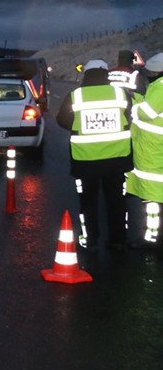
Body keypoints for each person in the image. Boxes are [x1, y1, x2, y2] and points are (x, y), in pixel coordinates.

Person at [56, 59, 132, 251]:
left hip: (86, 160)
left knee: (88, 202)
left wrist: (79, 129)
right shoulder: (120, 93)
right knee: (117, 201)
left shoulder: (76, 95)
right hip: (117, 159)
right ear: (106, 74)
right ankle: (118, 240)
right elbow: (129, 117)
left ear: (86, 74)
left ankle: (90, 239)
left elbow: (62, 120)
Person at [124, 53, 163, 246]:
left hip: (154, 150)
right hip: (154, 147)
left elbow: (146, 113)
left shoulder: (161, 87)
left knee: (152, 195)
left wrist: (137, 97)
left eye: (152, 72)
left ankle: (151, 238)